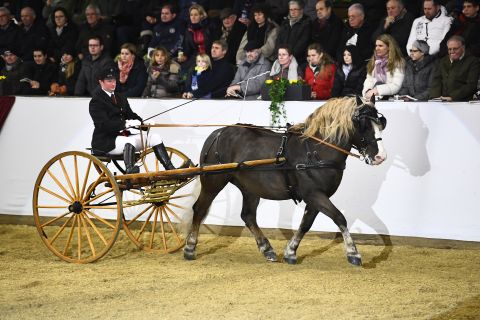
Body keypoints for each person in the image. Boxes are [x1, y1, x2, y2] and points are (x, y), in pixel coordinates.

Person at [89, 66, 181, 173]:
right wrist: (125, 124)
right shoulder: (96, 101)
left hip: (124, 138)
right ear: (101, 82)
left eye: (114, 80)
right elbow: (103, 124)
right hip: (106, 142)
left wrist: (143, 123)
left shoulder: (121, 97)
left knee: (155, 137)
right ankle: (129, 169)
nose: (113, 83)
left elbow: (130, 114)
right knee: (130, 141)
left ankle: (170, 169)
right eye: (109, 81)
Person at [429, 35, 480, 101]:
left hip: (462, 102)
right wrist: (434, 98)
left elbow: (471, 85)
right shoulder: (443, 61)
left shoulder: (473, 61)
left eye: (455, 49)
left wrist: (452, 97)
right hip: (442, 102)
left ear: (463, 48)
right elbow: (436, 80)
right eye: (449, 49)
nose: (452, 51)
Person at [362, 34, 405, 100]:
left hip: (391, 100)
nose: (377, 48)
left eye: (380, 46)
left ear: (389, 47)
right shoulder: (373, 61)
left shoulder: (398, 62)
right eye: (376, 46)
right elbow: (369, 80)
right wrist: (367, 91)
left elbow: (396, 85)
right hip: (372, 98)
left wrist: (377, 90)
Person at [178, 4, 214, 74]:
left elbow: (213, 44)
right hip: (195, 57)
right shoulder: (188, 30)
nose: (193, 17)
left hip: (208, 56)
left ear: (201, 16)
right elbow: (187, 48)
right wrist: (184, 55)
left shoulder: (210, 27)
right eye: (191, 15)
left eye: (196, 15)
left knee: (192, 71)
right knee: (182, 70)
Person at [275, 0, 311, 65]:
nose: (293, 12)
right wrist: (280, 55)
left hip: (297, 60)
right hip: (282, 58)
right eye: (291, 9)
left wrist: (288, 57)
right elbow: (278, 40)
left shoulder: (306, 24)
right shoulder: (285, 22)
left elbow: (302, 44)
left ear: (301, 10)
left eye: (295, 9)